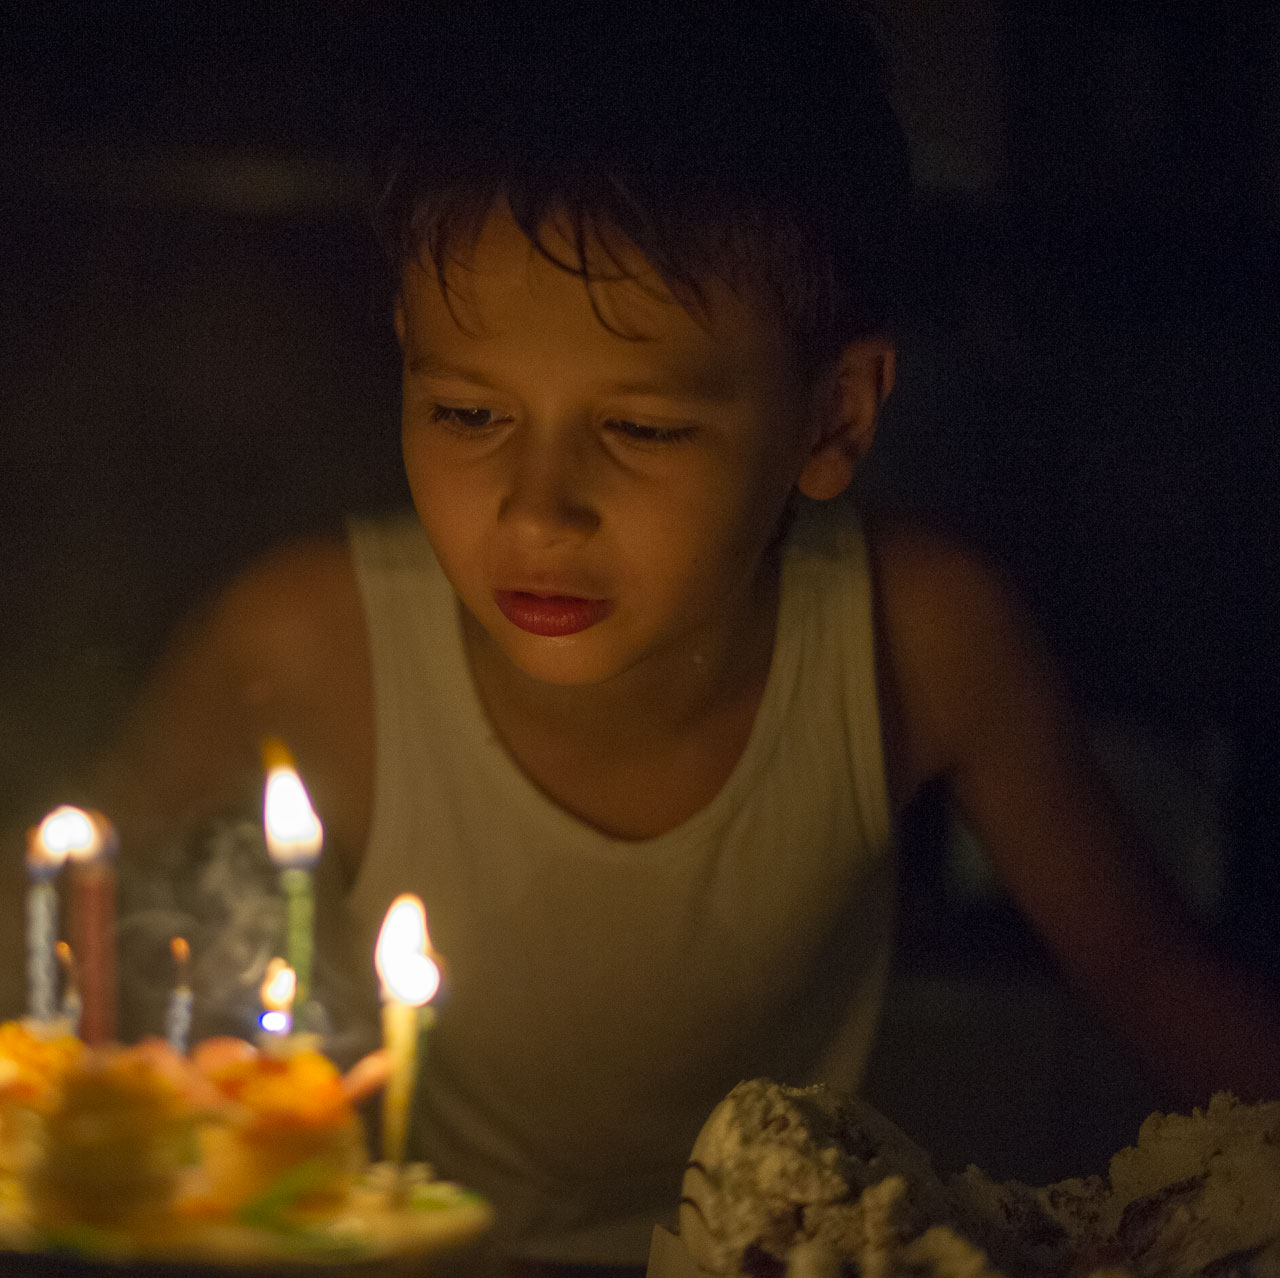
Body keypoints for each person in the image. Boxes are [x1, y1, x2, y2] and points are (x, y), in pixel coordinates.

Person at [86, 4, 1280, 1270]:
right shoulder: (307, 644)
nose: (538, 507)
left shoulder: (921, 642)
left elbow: (1152, 980)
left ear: (833, 418)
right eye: (469, 409)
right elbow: (51, 935)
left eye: (643, 430)